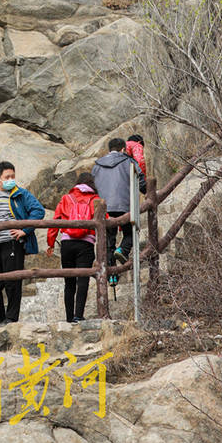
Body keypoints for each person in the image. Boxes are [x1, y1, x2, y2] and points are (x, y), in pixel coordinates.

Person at [0, 161, 45, 324]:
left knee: (12, 280)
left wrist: (24, 230)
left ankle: (11, 319)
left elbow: (38, 211)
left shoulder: (21, 194)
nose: (11, 179)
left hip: (12, 241)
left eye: (13, 176)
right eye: (7, 177)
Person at [46, 172, 101, 323]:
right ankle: (78, 315)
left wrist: (50, 243)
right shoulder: (96, 200)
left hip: (67, 243)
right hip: (86, 243)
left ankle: (69, 317)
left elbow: (55, 222)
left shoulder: (66, 198)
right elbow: (105, 221)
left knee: (69, 282)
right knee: (82, 279)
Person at [92, 137, 145, 271]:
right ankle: (123, 250)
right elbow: (141, 180)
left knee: (109, 239)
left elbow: (93, 186)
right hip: (124, 205)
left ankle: (112, 273)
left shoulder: (97, 165)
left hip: (104, 208)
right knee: (130, 232)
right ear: (123, 149)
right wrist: (147, 192)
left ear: (109, 150)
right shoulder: (129, 161)